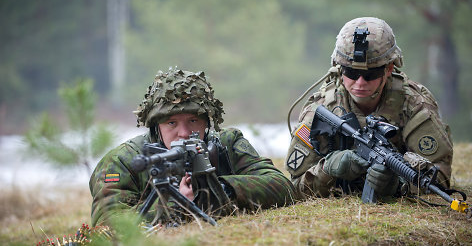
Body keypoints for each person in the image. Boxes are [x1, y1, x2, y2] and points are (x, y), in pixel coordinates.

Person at [90, 68, 296, 227]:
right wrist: (173, 203)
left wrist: (221, 190)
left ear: (207, 123)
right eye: (171, 123)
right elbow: (107, 224)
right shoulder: (124, 161)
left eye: (193, 121)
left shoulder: (227, 143)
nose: (184, 133)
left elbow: (282, 187)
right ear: (156, 127)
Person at [285, 17, 453, 199]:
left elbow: (439, 179)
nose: (360, 82)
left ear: (389, 69)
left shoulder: (413, 105)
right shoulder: (322, 110)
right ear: (339, 69)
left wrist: (397, 185)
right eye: (351, 72)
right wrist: (328, 169)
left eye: (370, 74)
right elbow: (296, 187)